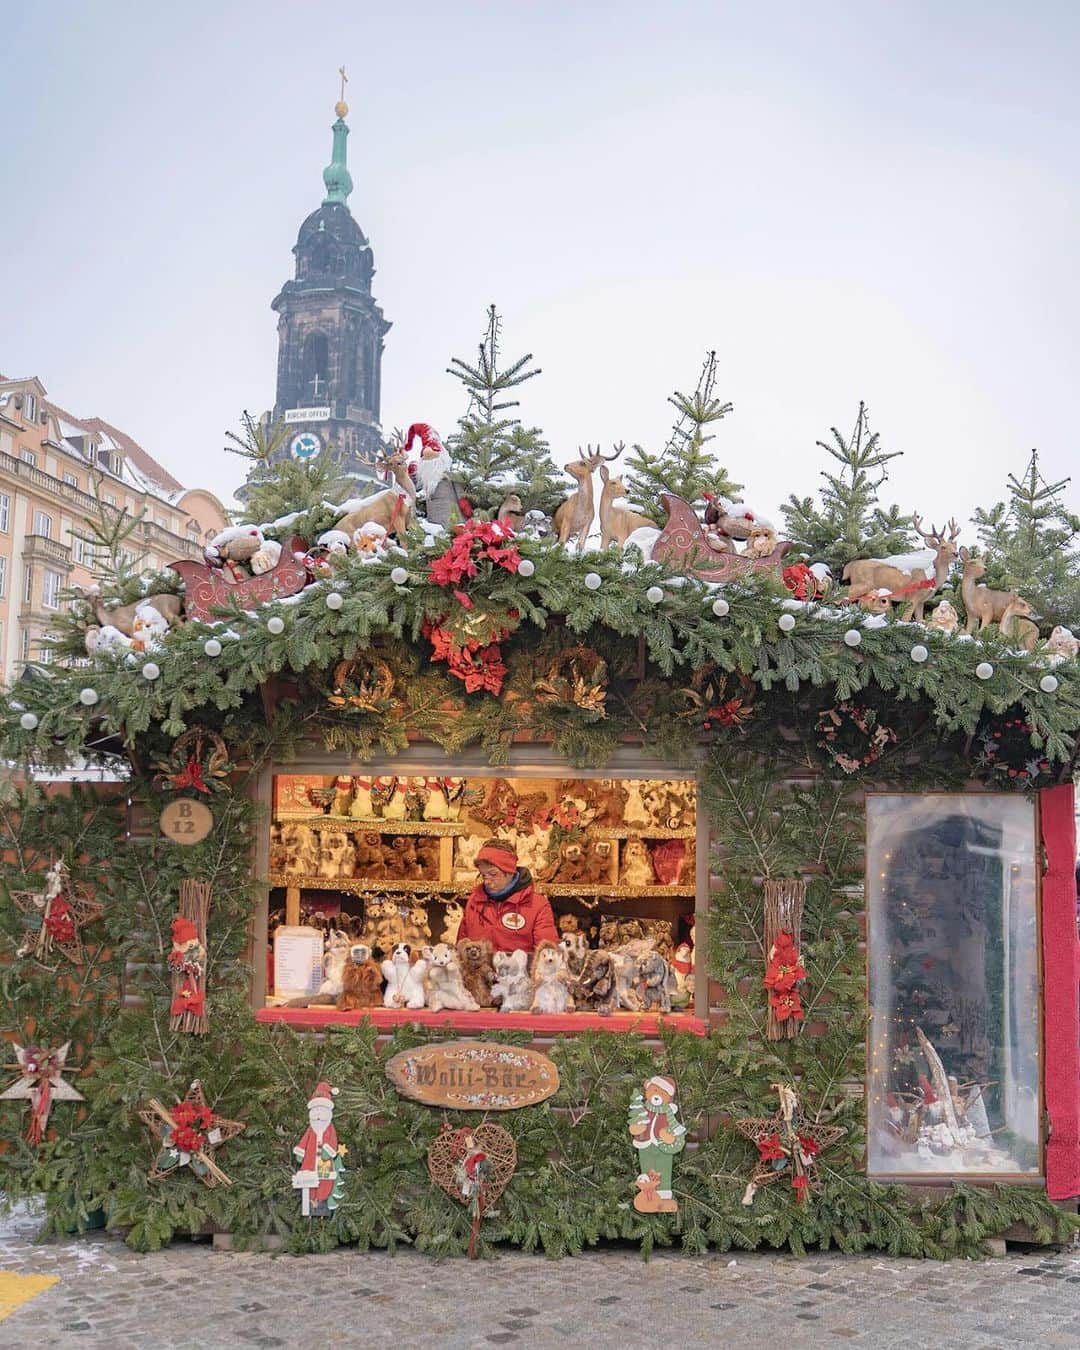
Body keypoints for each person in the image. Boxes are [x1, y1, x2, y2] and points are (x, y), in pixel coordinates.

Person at [458, 839, 558, 954]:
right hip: (479, 970)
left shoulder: (537, 905)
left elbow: (549, 954)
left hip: (519, 970)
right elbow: (461, 947)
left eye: (493, 874)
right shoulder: (475, 901)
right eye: (483, 875)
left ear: (509, 871)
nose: (486, 881)